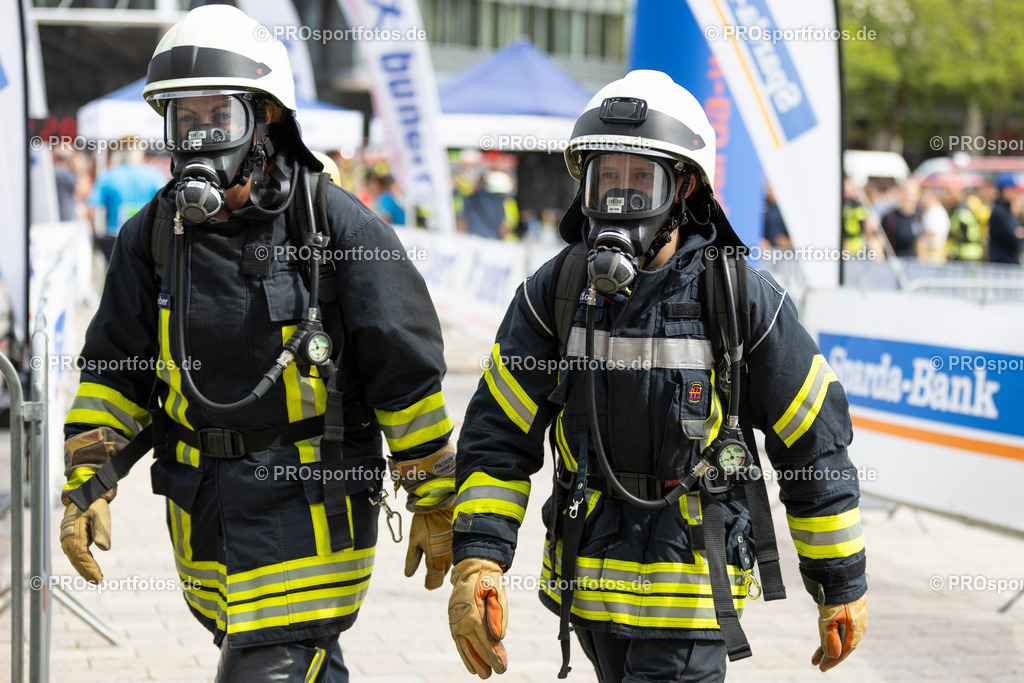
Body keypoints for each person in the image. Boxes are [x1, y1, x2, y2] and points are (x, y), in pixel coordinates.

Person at [57, 7, 456, 682]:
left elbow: (404, 370)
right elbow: (116, 372)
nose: (201, 136)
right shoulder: (152, 237)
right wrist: (87, 479)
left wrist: (434, 491)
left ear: (266, 118)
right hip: (204, 517)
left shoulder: (335, 223)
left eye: (220, 116)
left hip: (311, 511)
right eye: (185, 120)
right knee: (289, 660)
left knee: (268, 662)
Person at [446, 70, 868, 682]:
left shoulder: (738, 296)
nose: (619, 199)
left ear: (684, 188)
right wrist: (479, 560)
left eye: (640, 181)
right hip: (591, 595)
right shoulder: (556, 293)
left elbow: (814, 441)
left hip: (695, 594)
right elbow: (497, 435)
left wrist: (840, 580)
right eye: (605, 179)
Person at [880, 179, 924, 259]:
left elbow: (921, 244)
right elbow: (879, 242)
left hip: (914, 266)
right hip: (894, 264)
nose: (909, 197)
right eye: (907, 193)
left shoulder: (920, 216)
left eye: (912, 194)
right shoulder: (890, 217)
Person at [988, 174, 1024, 265]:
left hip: (1010, 262)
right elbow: (1014, 239)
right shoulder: (999, 212)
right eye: (1012, 189)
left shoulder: (1009, 211)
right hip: (1001, 265)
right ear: (1004, 190)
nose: (1015, 193)